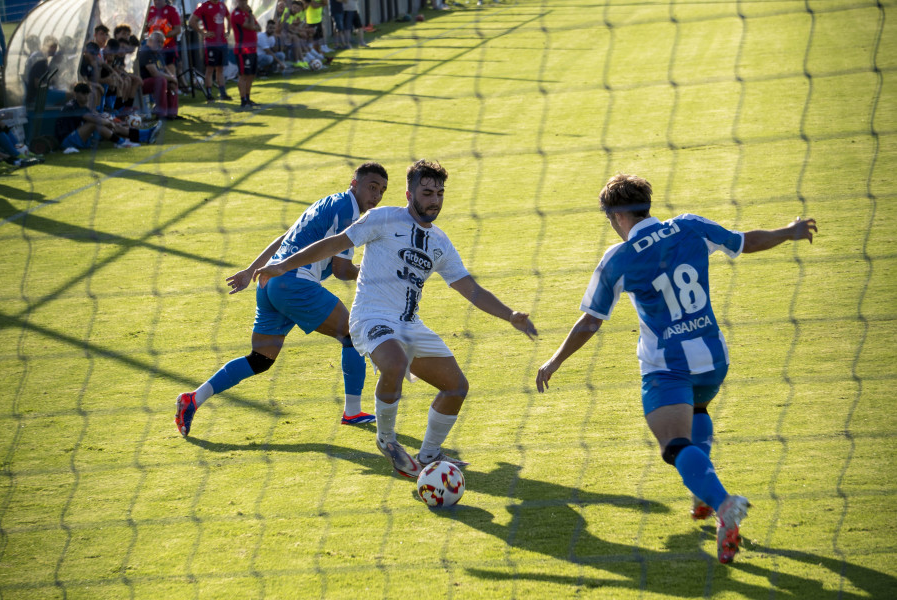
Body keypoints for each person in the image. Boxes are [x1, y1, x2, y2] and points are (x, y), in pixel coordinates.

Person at [534, 173, 818, 564]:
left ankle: (723, 504)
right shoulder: (689, 226)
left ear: (617, 216)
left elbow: (590, 321)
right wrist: (788, 232)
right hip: (713, 362)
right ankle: (703, 498)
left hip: (667, 367)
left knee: (675, 445)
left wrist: (554, 360)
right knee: (697, 411)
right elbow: (743, 241)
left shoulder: (618, 259)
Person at [253, 160, 538, 477]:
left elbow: (471, 289)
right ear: (408, 193)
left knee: (456, 387)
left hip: (410, 324)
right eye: (427, 192)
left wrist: (509, 314)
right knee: (395, 364)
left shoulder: (440, 242)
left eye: (440, 194)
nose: (434, 200)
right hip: (371, 317)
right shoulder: (383, 218)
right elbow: (335, 243)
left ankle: (429, 456)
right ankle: (387, 440)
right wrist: (281, 265)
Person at [175, 162, 391, 437]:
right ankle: (352, 412)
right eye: (372, 187)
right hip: (294, 283)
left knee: (260, 359)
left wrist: (250, 270)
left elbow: (283, 238)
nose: (376, 196)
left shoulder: (327, 203)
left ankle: (193, 399)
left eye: (382, 191)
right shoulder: (347, 210)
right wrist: (381, 271)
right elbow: (342, 271)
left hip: (269, 283)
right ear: (354, 183)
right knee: (352, 333)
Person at [54, 82, 161, 152]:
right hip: (67, 141)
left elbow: (95, 114)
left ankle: (147, 134)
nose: (86, 97)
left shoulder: (82, 106)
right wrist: (108, 121)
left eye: (87, 94)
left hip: (79, 137)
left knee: (111, 123)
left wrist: (111, 119)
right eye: (83, 94)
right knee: (95, 124)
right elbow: (92, 119)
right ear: (76, 94)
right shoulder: (72, 106)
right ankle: (121, 143)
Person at [189, 0, 233, 101]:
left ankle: (223, 93)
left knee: (220, 69)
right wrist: (203, 33)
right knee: (210, 69)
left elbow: (229, 18)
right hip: (211, 43)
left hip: (222, 42)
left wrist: (228, 31)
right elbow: (192, 20)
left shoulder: (222, 5)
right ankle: (209, 95)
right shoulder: (204, 6)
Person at [139, 31, 180, 120]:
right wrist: (171, 78)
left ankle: (172, 113)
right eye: (158, 41)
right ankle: (161, 114)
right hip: (142, 83)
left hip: (155, 81)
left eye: (162, 42)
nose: (160, 44)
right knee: (161, 80)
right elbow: (155, 73)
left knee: (171, 82)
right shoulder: (146, 51)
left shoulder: (158, 53)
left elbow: (165, 68)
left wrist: (172, 78)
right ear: (150, 41)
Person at [231, 0, 262, 109]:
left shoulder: (248, 14)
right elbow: (251, 27)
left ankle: (248, 98)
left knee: (251, 75)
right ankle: (243, 100)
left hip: (252, 49)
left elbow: (259, 27)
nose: (244, 2)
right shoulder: (236, 14)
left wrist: (250, 18)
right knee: (243, 75)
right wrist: (251, 18)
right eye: (241, 1)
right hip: (243, 50)